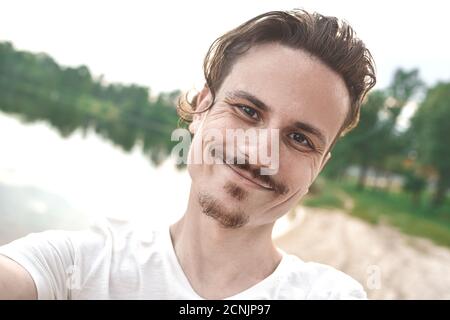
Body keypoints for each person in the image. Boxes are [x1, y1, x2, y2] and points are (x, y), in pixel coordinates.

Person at [0, 9, 376, 299]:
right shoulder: (79, 266)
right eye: (248, 111)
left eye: (299, 138)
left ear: (319, 167)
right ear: (202, 108)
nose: (261, 155)